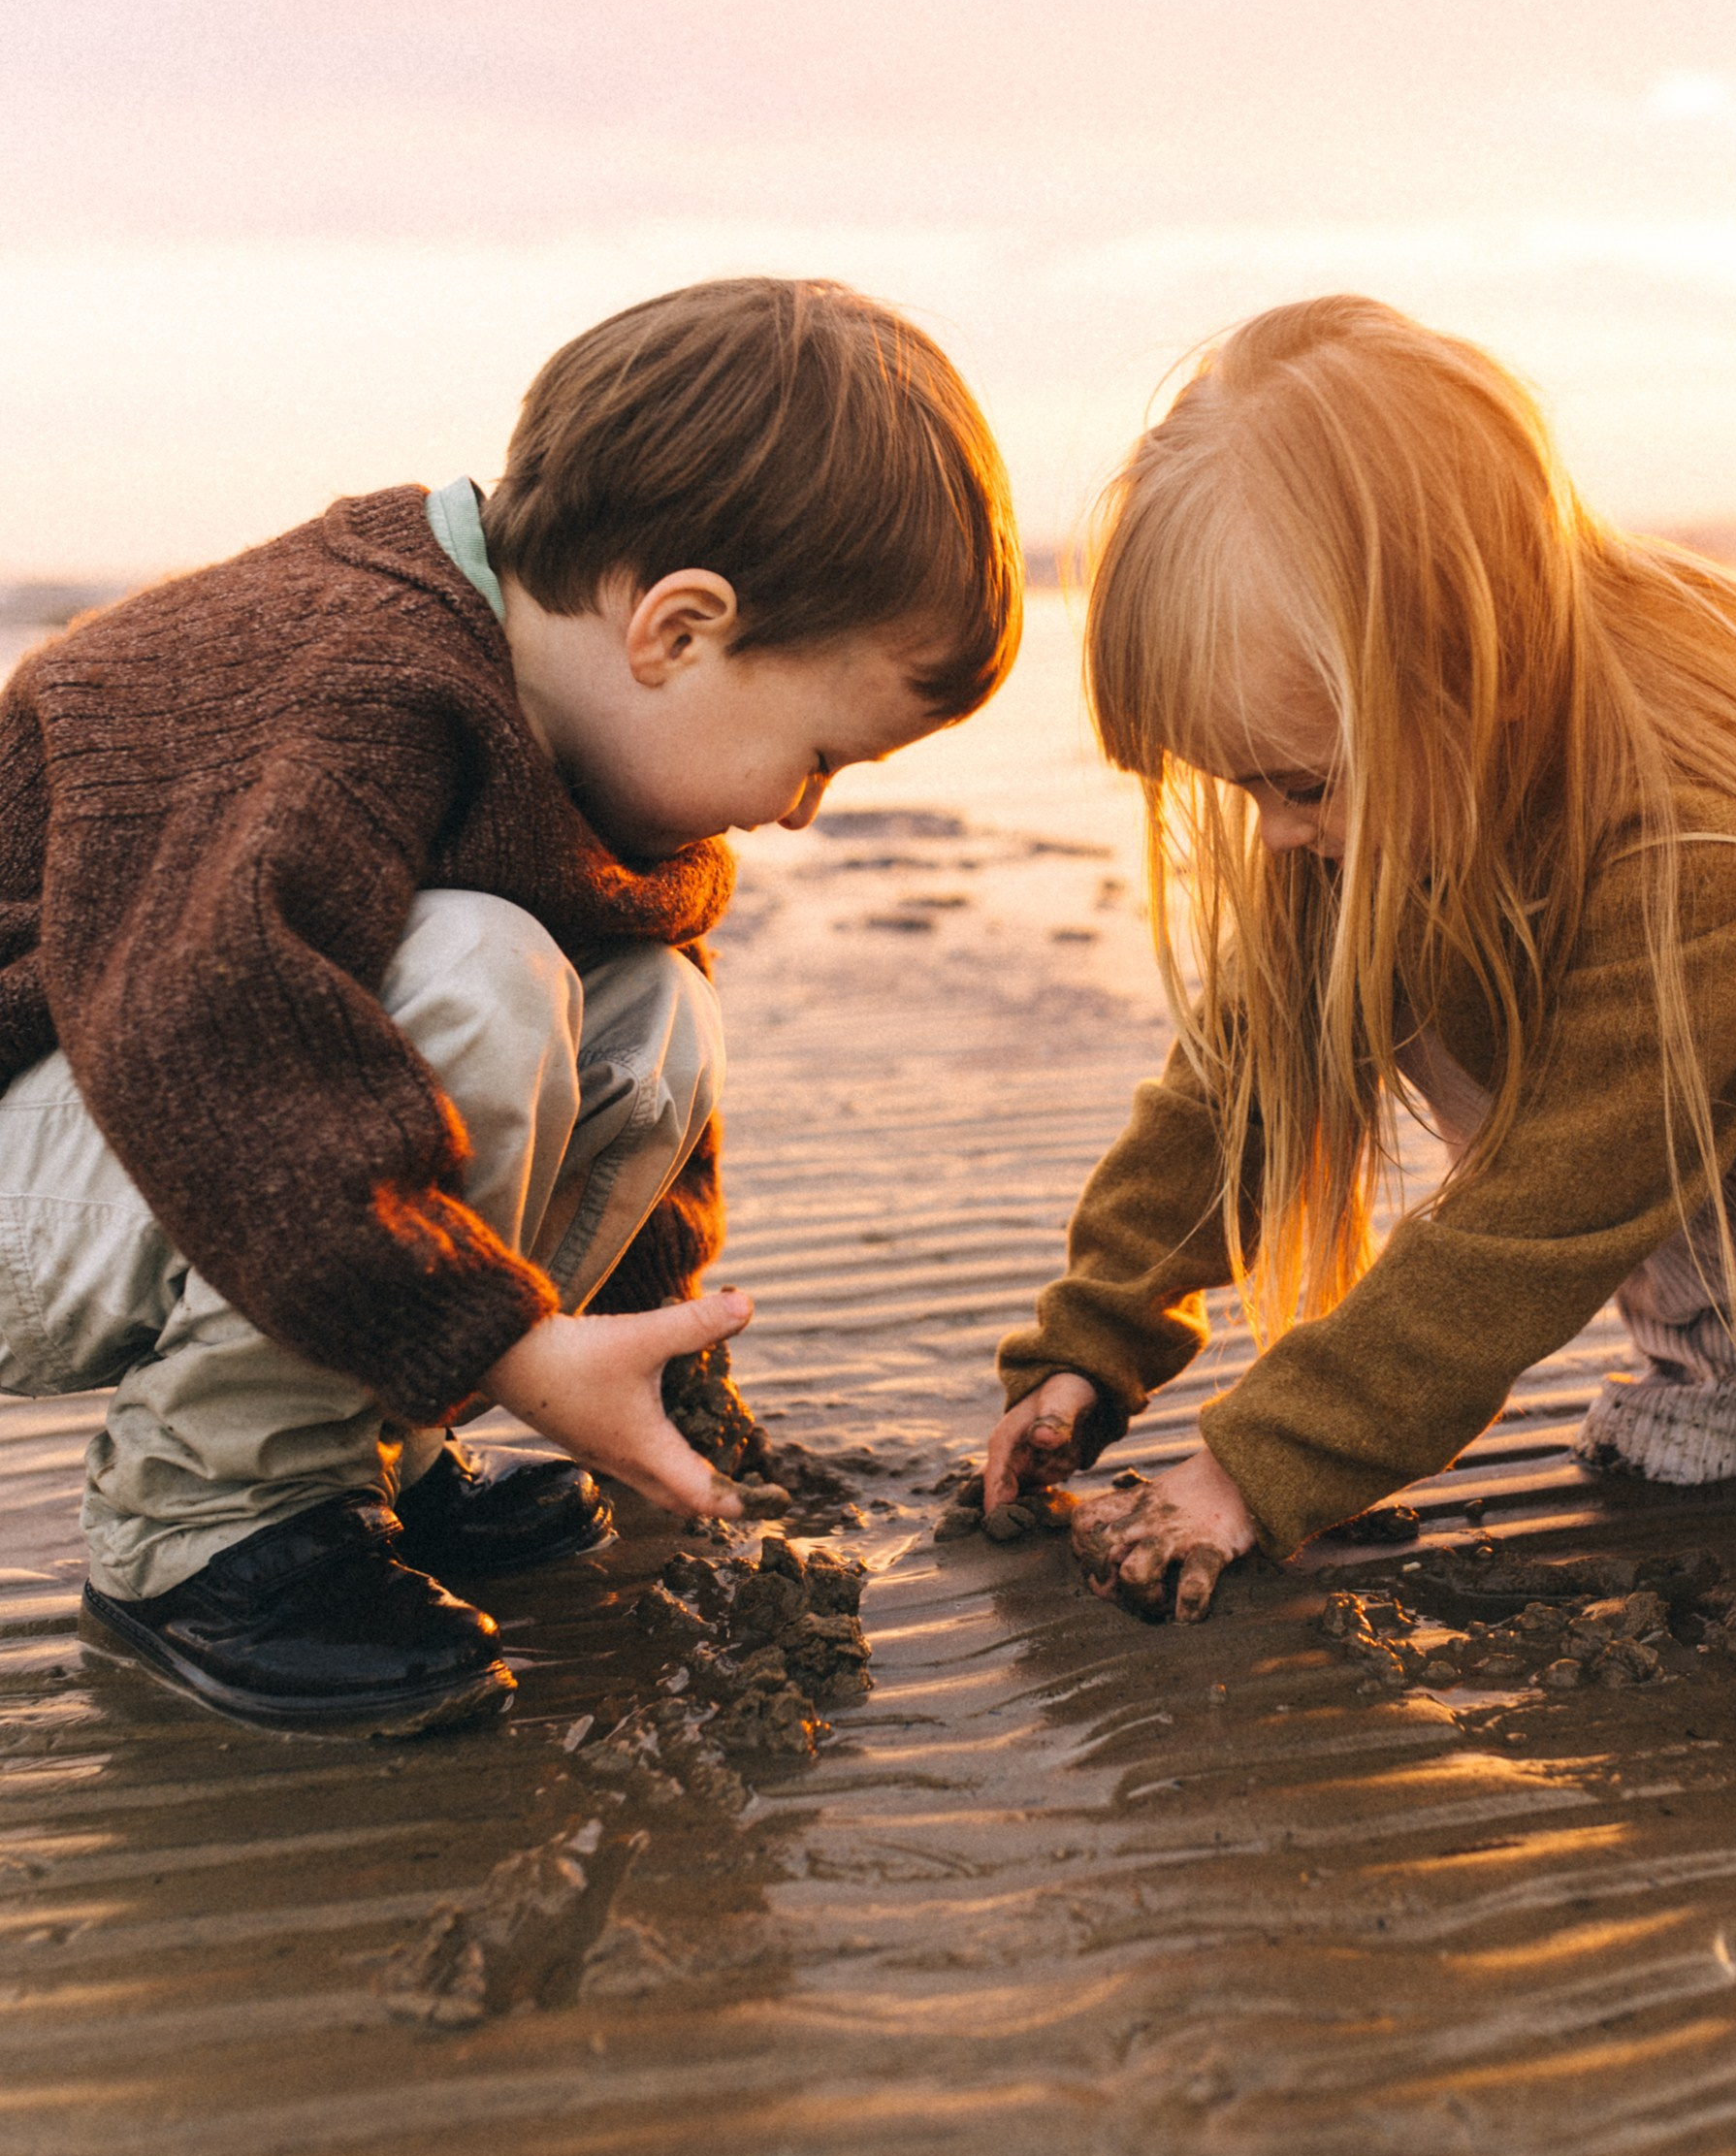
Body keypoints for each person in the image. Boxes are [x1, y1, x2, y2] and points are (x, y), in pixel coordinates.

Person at [0, 277, 1018, 1729]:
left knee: (647, 1005)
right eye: (820, 757)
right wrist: (511, 1347)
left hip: (164, 1141)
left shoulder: (576, 732)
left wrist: (664, 1356)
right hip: (99, 1119)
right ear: (677, 631)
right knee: (478, 970)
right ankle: (212, 1528)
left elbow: (642, 1080)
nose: (803, 811)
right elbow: (210, 1041)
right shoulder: (338, 679)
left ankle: (362, 1454)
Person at [986, 293, 1736, 1619]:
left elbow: (1552, 1201)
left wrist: (1257, 1467)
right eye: (1244, 786)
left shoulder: (1694, 804)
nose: (1272, 833)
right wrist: (1090, 1345)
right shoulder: (1403, 792)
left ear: (1467, 668)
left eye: (1301, 784)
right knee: (1436, 981)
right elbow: (1245, 1075)